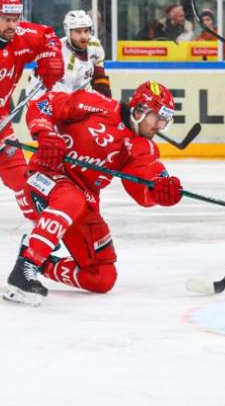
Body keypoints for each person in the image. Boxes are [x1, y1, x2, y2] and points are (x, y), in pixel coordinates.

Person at [3, 81, 183, 306]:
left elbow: (146, 182)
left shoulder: (142, 147)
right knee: (71, 198)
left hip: (84, 203)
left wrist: (159, 192)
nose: (160, 125)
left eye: (165, 120)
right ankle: (25, 269)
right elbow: (44, 104)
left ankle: (43, 263)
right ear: (140, 110)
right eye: (158, 117)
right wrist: (46, 134)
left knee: (102, 277)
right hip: (45, 177)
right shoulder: (95, 104)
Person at [0, 0, 64, 224]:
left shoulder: (20, 36)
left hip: (2, 124)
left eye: (16, 18)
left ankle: (42, 230)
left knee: (21, 177)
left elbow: (48, 36)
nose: (13, 25)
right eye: (6, 19)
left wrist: (52, 58)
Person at [27, 10, 111, 98]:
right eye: (78, 31)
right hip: (41, 97)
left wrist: (108, 105)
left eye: (86, 31)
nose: (83, 36)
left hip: (71, 90)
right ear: (69, 32)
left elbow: (100, 79)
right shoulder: (62, 61)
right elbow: (62, 104)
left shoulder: (95, 45)